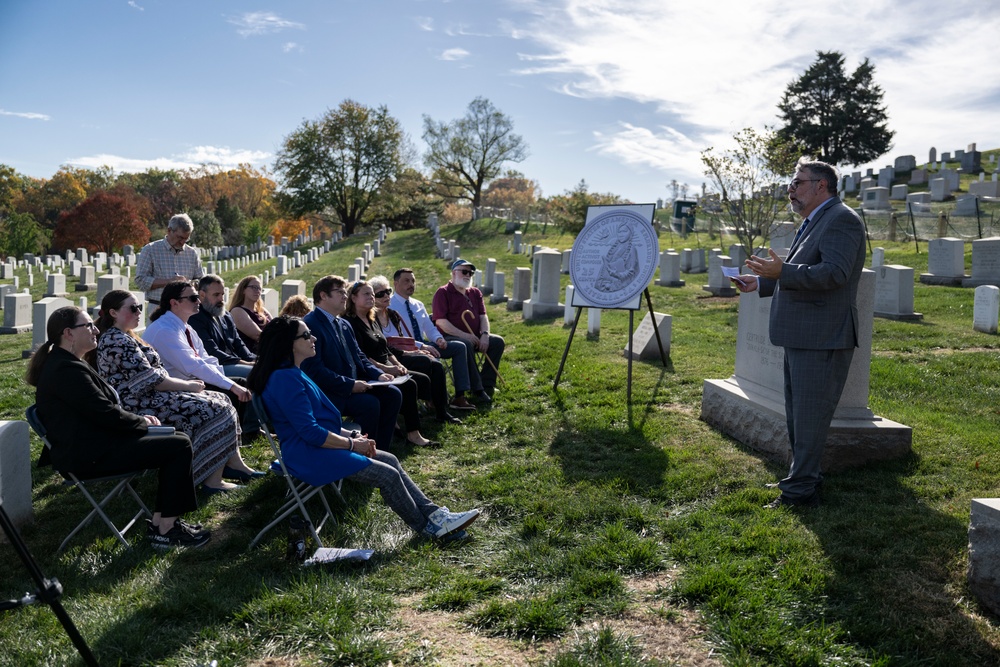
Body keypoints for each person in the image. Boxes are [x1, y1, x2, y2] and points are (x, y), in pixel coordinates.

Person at [247, 316, 480, 541]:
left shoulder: (293, 372)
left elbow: (317, 424)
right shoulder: (284, 379)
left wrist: (353, 435)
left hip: (320, 446)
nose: (314, 338)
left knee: (390, 460)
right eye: (306, 335)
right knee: (387, 475)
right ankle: (427, 529)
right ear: (289, 344)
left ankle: (435, 515)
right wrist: (352, 444)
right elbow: (310, 432)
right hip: (308, 455)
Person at [735, 158, 866, 509]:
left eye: (797, 183)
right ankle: (802, 480)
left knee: (808, 419)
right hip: (804, 335)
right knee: (799, 417)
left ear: (821, 185)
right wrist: (762, 282)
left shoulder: (842, 220)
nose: (790, 189)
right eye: (791, 184)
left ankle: (800, 493)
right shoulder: (814, 221)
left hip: (822, 337)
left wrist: (782, 271)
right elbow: (801, 270)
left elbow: (833, 274)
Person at [27, 306, 209, 548]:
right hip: (87, 455)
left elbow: (100, 412)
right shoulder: (65, 370)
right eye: (88, 325)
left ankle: (162, 522)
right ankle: (165, 528)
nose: (95, 329)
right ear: (68, 333)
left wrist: (140, 421)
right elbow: (104, 414)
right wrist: (142, 422)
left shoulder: (66, 363)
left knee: (175, 437)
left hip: (94, 444)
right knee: (178, 445)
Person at [92, 289, 260, 492]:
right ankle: (211, 480)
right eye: (133, 308)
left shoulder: (125, 336)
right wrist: (188, 386)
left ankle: (233, 464)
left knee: (222, 398)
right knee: (216, 409)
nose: (138, 312)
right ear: (113, 313)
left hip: (151, 397)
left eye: (140, 307)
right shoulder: (116, 341)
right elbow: (151, 380)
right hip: (139, 405)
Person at [300, 275, 403, 451]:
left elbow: (359, 356)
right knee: (369, 404)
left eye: (345, 292)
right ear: (323, 296)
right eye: (339, 292)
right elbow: (314, 370)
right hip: (328, 393)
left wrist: (378, 374)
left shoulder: (344, 324)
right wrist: (350, 385)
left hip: (353, 385)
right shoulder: (310, 324)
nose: (345, 296)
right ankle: (361, 453)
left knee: (392, 394)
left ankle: (380, 449)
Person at [345, 280, 448, 447]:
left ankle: (409, 423)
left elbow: (385, 348)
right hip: (369, 371)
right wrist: (385, 368)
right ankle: (412, 433)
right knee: (410, 385)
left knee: (420, 379)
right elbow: (360, 355)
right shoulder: (350, 322)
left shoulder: (371, 318)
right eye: (367, 294)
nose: (371, 297)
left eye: (372, 293)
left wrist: (397, 364)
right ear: (353, 298)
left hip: (387, 365)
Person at [142, 281, 255, 434]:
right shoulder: (165, 330)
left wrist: (224, 379)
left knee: (239, 382)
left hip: (191, 382)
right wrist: (229, 385)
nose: (199, 301)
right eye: (193, 298)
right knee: (233, 388)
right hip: (172, 389)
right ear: (175, 303)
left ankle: (244, 433)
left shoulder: (185, 327)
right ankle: (233, 436)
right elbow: (193, 365)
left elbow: (205, 359)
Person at [369, 275, 460, 425]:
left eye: (388, 291)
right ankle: (421, 401)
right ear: (373, 297)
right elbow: (383, 346)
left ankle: (441, 411)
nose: (386, 295)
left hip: (402, 353)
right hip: (390, 358)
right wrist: (412, 352)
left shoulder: (392, 314)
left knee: (436, 365)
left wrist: (418, 348)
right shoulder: (371, 319)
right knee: (424, 361)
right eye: (380, 294)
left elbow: (402, 338)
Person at [391, 267, 475, 411]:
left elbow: (429, 328)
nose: (411, 284)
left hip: (426, 344)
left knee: (460, 347)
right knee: (432, 360)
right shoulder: (390, 305)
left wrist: (438, 339)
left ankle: (459, 396)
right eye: (406, 281)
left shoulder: (418, 304)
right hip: (407, 348)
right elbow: (395, 337)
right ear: (395, 283)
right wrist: (421, 347)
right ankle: (432, 399)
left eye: (413, 281)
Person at [432, 258, 505, 402]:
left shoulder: (475, 292)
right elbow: (441, 321)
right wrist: (465, 335)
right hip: (450, 337)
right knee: (466, 344)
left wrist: (484, 334)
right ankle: (476, 388)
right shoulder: (443, 292)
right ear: (453, 273)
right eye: (464, 271)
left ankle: (487, 383)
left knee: (497, 342)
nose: (467, 275)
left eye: (470, 273)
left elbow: (483, 316)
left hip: (476, 335)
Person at [189, 275, 256, 379]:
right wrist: (245, 363)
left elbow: (238, 343)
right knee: (256, 373)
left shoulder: (225, 315)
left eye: (222, 294)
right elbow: (212, 352)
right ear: (202, 295)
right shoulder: (195, 318)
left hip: (234, 361)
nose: (221, 299)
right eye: (216, 295)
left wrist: (253, 360)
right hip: (216, 367)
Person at [135, 213, 205, 306]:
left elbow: (201, 280)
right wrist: (169, 282)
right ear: (169, 231)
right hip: (159, 306)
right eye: (180, 237)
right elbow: (141, 281)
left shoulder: (192, 253)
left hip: (186, 307)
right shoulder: (150, 250)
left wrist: (191, 284)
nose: (182, 242)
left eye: (186, 238)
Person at [228, 275, 273, 354]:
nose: (257, 291)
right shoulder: (237, 311)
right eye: (253, 287)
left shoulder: (262, 310)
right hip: (251, 356)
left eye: (259, 288)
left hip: (268, 351)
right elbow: (258, 335)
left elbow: (276, 327)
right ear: (243, 290)